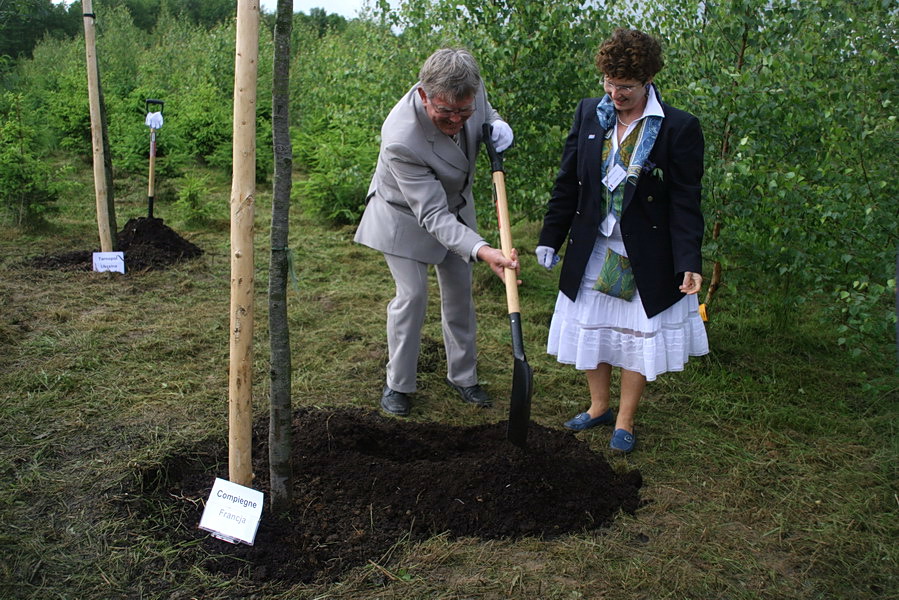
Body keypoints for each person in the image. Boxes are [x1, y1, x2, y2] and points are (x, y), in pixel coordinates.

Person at [536, 28, 709, 453]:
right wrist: (550, 237)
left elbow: (687, 201)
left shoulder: (678, 128)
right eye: (609, 84)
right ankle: (598, 407)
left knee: (635, 334)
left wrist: (689, 259)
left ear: (648, 80)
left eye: (626, 86)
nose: (615, 93)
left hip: (645, 249)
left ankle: (625, 419)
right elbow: (568, 184)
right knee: (590, 328)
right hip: (593, 242)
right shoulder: (588, 114)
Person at [354, 47, 519, 417]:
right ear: (424, 95)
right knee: (412, 297)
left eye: (464, 112)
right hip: (405, 216)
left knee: (460, 294)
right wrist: (482, 250)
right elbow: (431, 215)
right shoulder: (401, 137)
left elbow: (485, 112)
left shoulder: (469, 88)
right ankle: (398, 384)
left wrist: (497, 122)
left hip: (457, 205)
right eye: (445, 112)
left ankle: (464, 377)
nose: (457, 120)